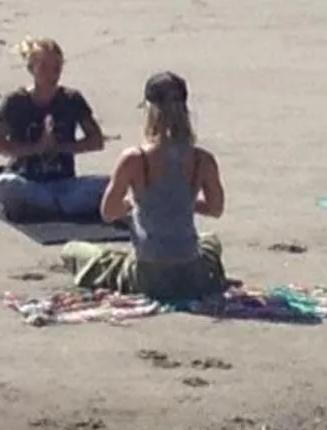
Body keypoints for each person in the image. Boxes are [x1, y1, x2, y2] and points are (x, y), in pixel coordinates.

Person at [61, 72, 225, 300]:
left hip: (149, 272)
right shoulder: (202, 159)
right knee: (210, 241)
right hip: (191, 272)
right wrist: (183, 203)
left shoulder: (135, 158)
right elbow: (215, 208)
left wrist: (132, 205)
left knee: (74, 250)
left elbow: (108, 212)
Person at [0, 36, 109, 223]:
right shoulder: (15, 101)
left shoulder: (71, 99)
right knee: (2, 185)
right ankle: (57, 208)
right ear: (31, 69)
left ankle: (49, 208)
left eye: (56, 68)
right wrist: (36, 148)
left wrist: (59, 147)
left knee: (109, 183)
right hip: (27, 182)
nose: (52, 74)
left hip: (65, 185)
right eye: (44, 67)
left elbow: (96, 141)